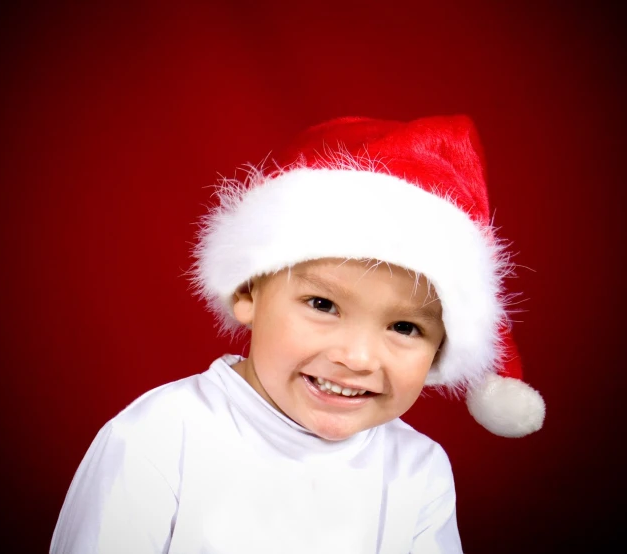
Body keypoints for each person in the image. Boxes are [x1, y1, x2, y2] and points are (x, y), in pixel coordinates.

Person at [50, 115, 546, 554]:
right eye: (323, 304)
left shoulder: (419, 470)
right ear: (248, 291)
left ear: (442, 346)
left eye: (404, 327)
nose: (356, 357)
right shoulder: (158, 438)